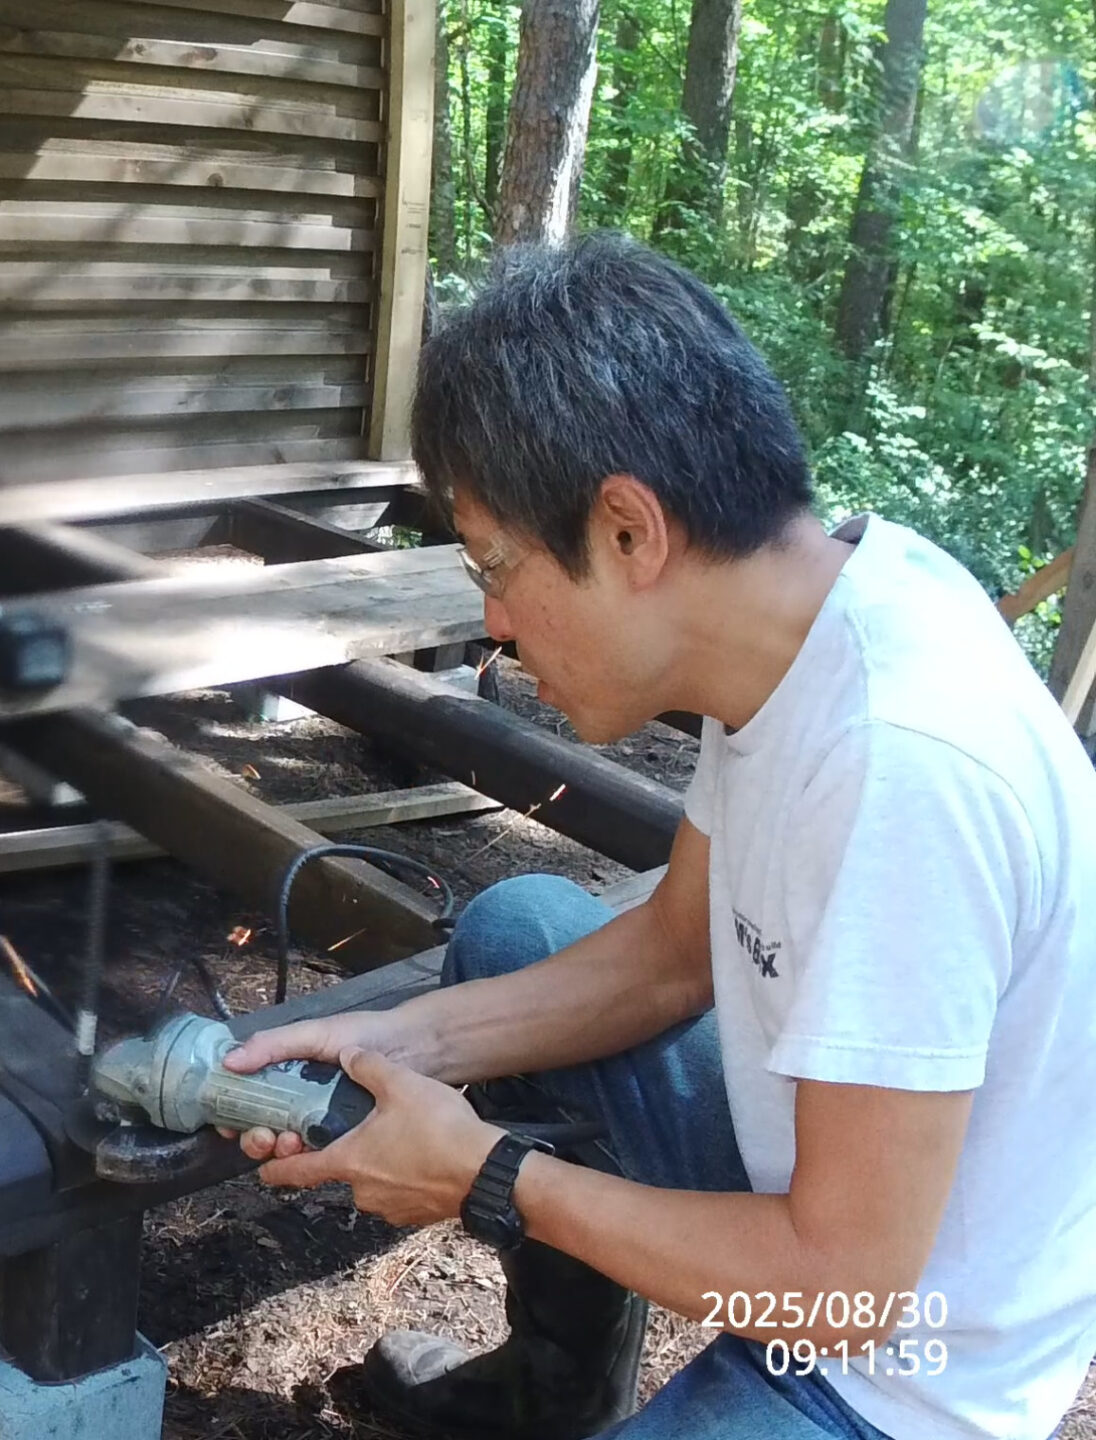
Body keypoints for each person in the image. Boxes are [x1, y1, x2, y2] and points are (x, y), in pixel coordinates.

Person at [230, 234, 1096, 1440]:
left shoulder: (902, 767)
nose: (492, 619)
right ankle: (552, 1397)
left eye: (495, 565)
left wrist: (490, 1176)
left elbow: (844, 1294)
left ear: (629, 532)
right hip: (827, 1200)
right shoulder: (816, 611)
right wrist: (395, 1039)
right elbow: (673, 953)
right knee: (519, 927)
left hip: (892, 1356)